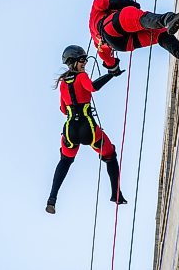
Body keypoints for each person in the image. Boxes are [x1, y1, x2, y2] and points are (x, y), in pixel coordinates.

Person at [46, 45, 127, 214]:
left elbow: (62, 108)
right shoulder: (82, 76)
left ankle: (52, 198)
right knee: (110, 155)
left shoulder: (62, 83)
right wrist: (111, 75)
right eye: (82, 60)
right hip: (87, 128)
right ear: (73, 62)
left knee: (65, 161)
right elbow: (92, 87)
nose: (85, 63)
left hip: (70, 130)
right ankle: (116, 194)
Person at [89, 0, 179, 73]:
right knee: (133, 15)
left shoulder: (95, 39)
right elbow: (105, 3)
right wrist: (132, 4)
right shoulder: (96, 5)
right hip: (109, 26)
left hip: (121, 44)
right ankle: (169, 19)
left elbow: (104, 55)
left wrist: (113, 69)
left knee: (157, 34)